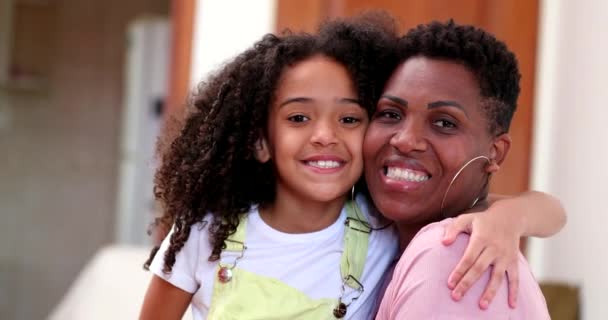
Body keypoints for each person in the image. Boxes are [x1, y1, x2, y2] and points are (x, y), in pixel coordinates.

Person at [140, 16, 563, 320]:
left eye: (349, 119)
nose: (325, 136)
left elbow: (548, 210)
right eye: (298, 118)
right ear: (260, 141)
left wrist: (509, 218)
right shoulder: (206, 230)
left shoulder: (379, 225)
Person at [372, 20, 554, 319]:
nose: (405, 141)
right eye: (391, 113)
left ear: (495, 152)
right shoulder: (374, 233)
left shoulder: (456, 254)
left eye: (445, 122)